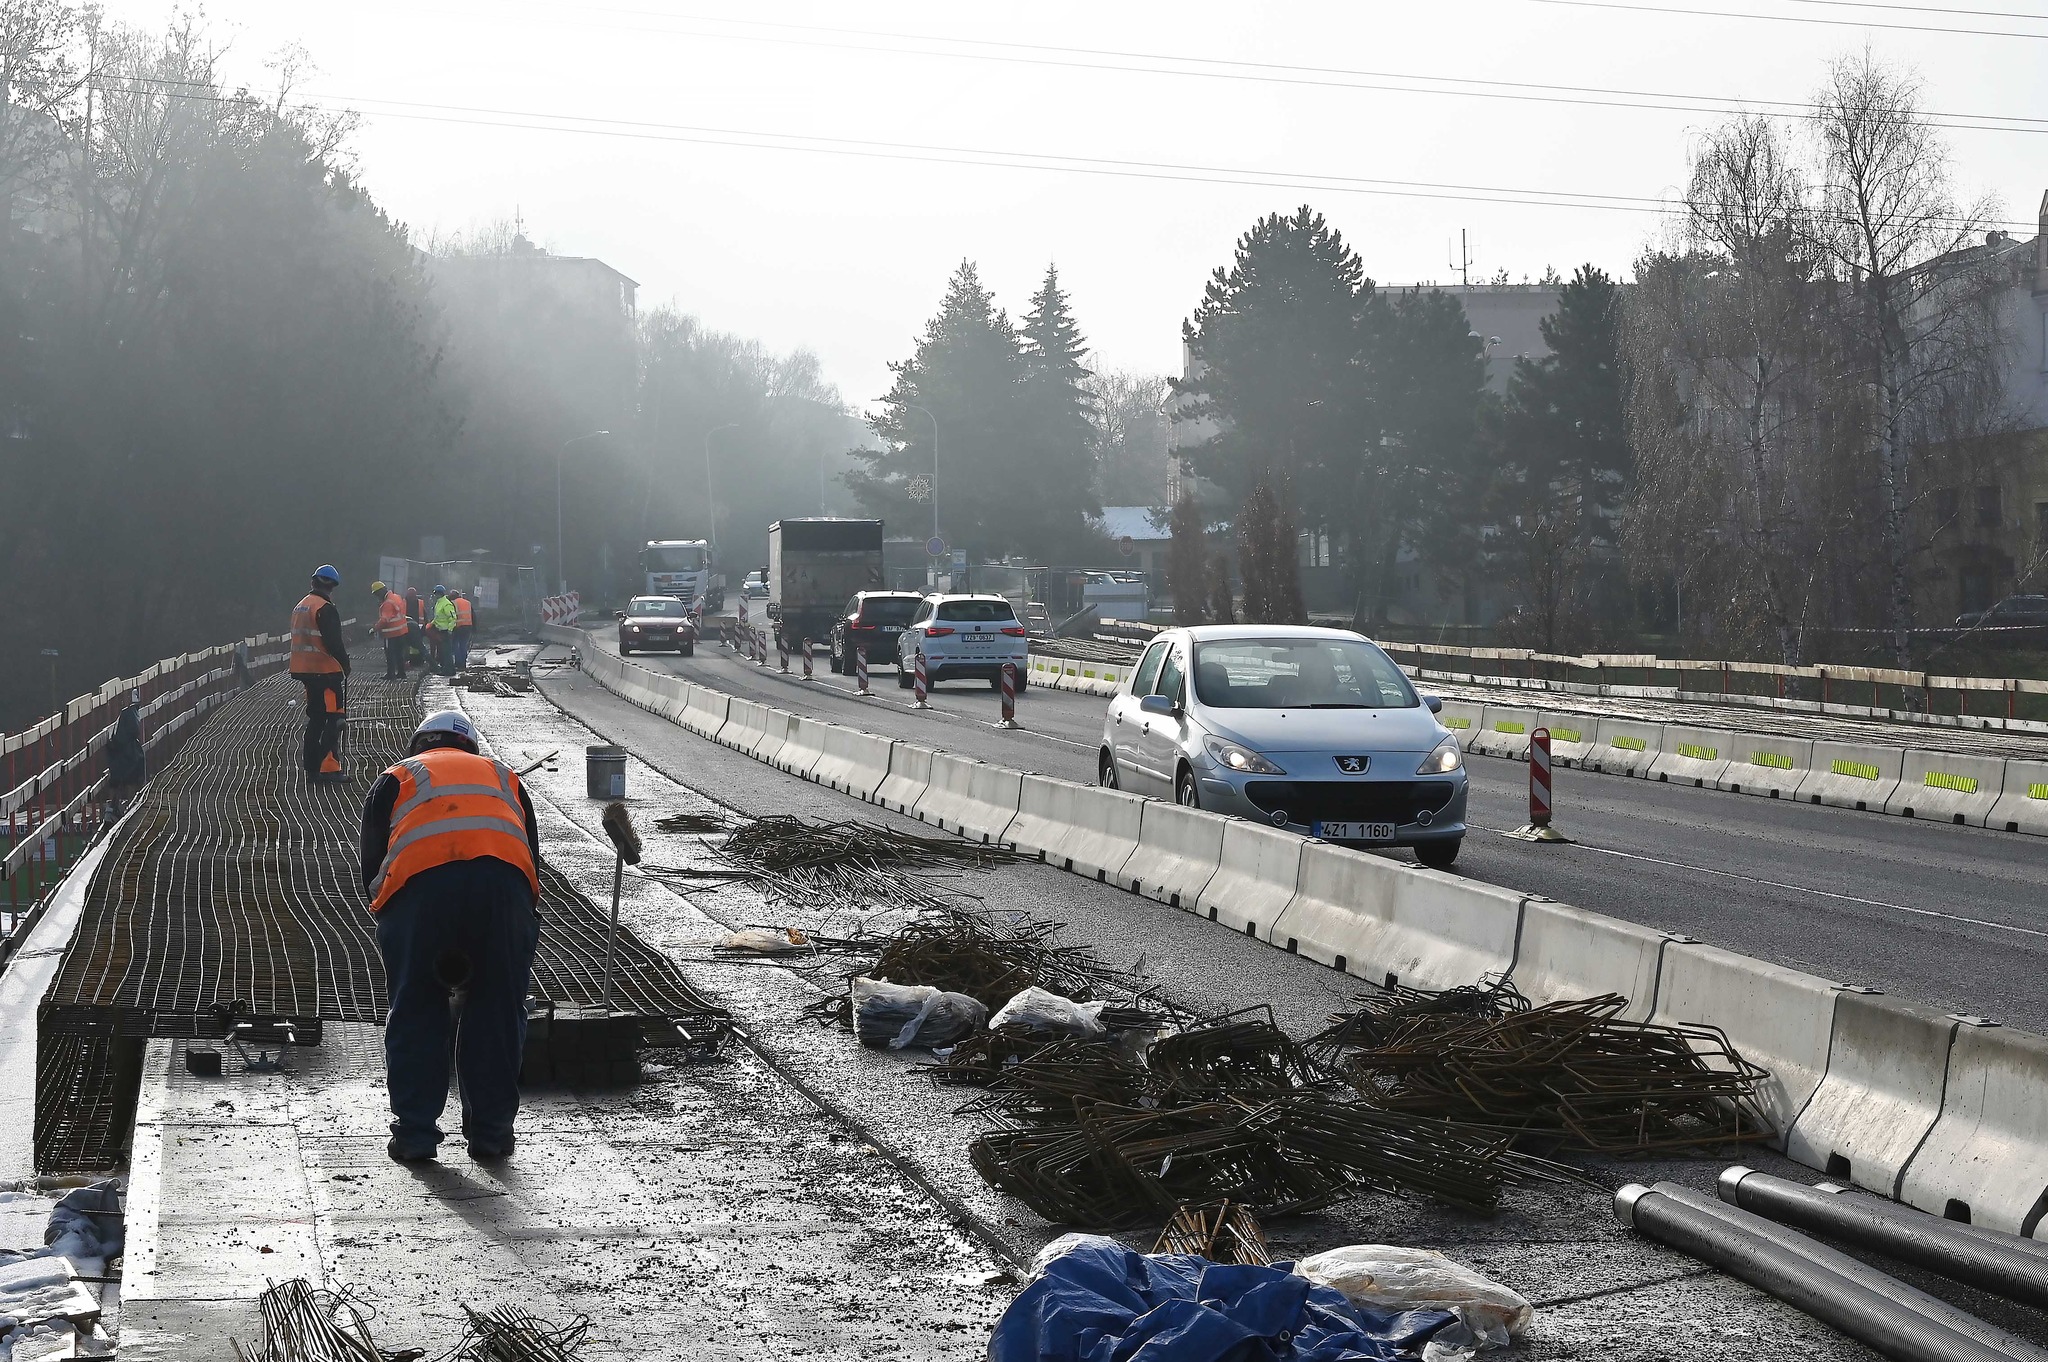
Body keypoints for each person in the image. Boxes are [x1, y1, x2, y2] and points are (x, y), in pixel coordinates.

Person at [360, 709, 541, 1163]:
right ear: (471, 747)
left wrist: (395, 918)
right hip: (503, 892)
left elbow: (371, 863)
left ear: (420, 743)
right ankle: (492, 1135)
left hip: (422, 891)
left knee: (417, 1006)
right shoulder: (505, 778)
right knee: (498, 1010)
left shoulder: (396, 777)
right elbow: (530, 857)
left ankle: (416, 1135)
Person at [289, 565, 350, 784]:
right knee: (332, 721)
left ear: (313, 581)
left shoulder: (301, 606)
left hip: (305, 671)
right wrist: (345, 663)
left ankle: (312, 768)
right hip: (325, 672)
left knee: (315, 720)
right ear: (332, 586)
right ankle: (329, 769)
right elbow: (333, 642)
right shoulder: (325, 608)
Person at [105, 689, 146, 815]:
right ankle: (128, 804)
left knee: (121, 776)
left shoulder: (126, 714)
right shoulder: (131, 713)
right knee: (130, 775)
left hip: (122, 754)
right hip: (127, 754)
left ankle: (115, 806)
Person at [373, 581, 411, 680]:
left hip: (391, 634)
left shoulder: (387, 603)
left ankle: (391, 674)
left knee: (390, 655)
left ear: (380, 591)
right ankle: (401, 674)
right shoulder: (396, 597)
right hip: (402, 631)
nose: (377, 596)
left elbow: (385, 620)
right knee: (399, 654)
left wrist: (374, 629)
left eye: (376, 594)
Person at [430, 586, 458, 675]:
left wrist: (450, 630)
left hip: (446, 631)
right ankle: (447, 669)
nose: (434, 595)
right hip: (440, 630)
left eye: (435, 593)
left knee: (447, 652)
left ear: (439, 593)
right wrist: (432, 623)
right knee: (443, 651)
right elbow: (438, 617)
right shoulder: (439, 603)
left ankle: (449, 670)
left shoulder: (446, 604)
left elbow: (453, 618)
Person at [450, 589, 474, 671]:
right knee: (463, 644)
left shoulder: (453, 603)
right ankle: (463, 663)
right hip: (468, 626)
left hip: (458, 626)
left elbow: (452, 616)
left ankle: (458, 663)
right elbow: (473, 615)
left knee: (455, 644)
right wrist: (474, 628)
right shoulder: (467, 602)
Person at [404, 588, 427, 670]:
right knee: (416, 646)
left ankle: (410, 661)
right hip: (416, 627)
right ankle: (416, 661)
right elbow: (425, 615)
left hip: (410, 627)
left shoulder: (403, 602)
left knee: (408, 646)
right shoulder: (419, 603)